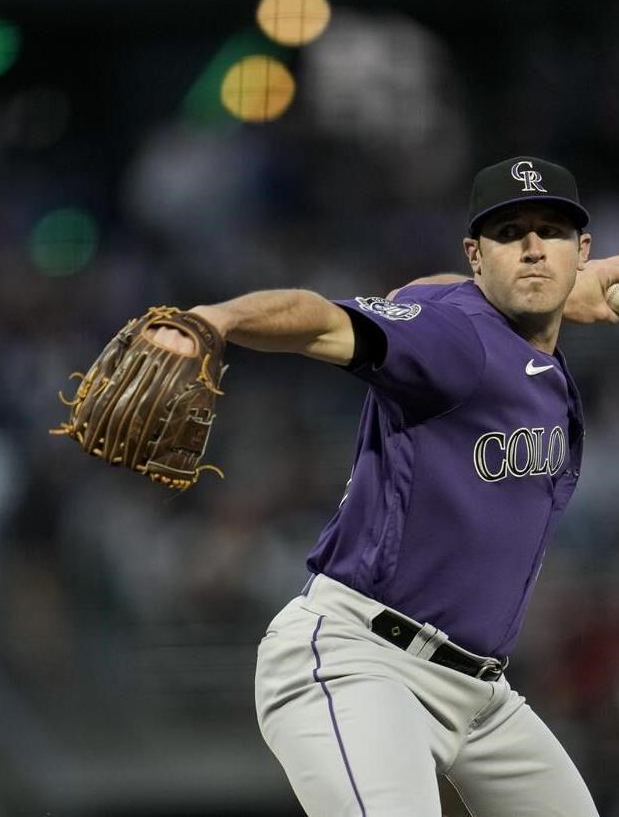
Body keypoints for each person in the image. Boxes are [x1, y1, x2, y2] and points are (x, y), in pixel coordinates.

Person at [147, 156, 619, 816]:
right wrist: (216, 319)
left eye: (551, 231)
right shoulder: (456, 341)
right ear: (476, 256)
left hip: (481, 694)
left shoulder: (516, 343)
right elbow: (321, 319)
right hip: (361, 661)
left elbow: (422, 286)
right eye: (510, 234)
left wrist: (557, 297)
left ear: (584, 251)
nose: (533, 247)